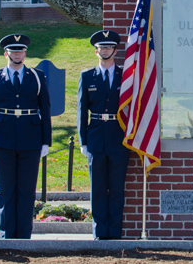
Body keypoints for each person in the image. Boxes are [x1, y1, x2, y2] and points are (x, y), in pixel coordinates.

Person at [0, 34, 52, 239]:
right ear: (6, 54)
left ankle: (23, 235)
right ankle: (5, 234)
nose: (17, 54)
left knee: (27, 190)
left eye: (21, 51)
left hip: (30, 139)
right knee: (6, 190)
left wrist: (45, 140)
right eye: (13, 51)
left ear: (25, 53)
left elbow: (45, 110)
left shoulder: (36, 76)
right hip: (3, 140)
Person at [78, 30, 130, 240]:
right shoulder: (87, 76)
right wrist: (83, 141)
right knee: (98, 188)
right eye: (101, 47)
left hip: (118, 137)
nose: (105, 51)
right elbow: (82, 111)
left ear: (115, 50)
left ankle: (115, 232)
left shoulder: (125, 75)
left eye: (109, 47)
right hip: (96, 137)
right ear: (96, 51)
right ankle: (99, 233)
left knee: (117, 187)